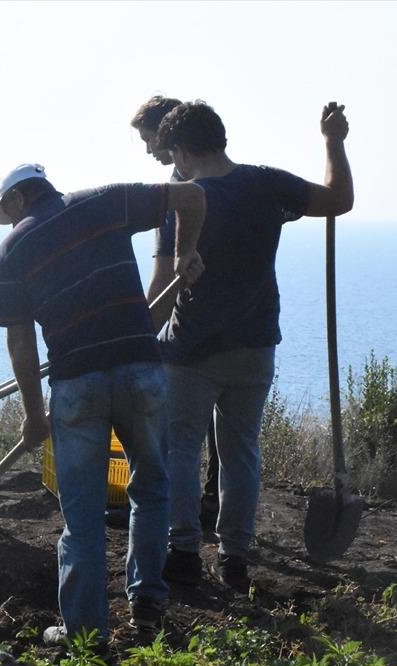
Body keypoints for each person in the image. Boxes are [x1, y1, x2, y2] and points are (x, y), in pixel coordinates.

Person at [0, 162, 206, 645]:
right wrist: (183, 251)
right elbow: (191, 197)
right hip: (140, 370)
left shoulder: (11, 249)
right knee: (151, 488)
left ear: (18, 200)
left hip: (77, 383)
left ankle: (85, 635)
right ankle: (148, 604)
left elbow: (20, 343)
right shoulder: (103, 201)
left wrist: (32, 414)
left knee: (82, 515)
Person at [152, 101, 353, 591]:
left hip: (191, 349)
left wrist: (132, 339)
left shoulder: (181, 199)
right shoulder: (266, 184)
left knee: (179, 447)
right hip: (255, 345)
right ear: (219, 138)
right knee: (240, 450)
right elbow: (338, 199)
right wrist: (333, 143)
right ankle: (234, 558)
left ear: (179, 149)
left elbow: (161, 287)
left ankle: (182, 552)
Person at [131, 96, 222, 536]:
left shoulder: (173, 196)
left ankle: (184, 530)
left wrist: (141, 334)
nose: (149, 150)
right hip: (239, 324)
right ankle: (214, 507)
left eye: (151, 140)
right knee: (225, 434)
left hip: (191, 330)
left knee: (183, 436)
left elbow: (162, 274)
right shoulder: (222, 178)